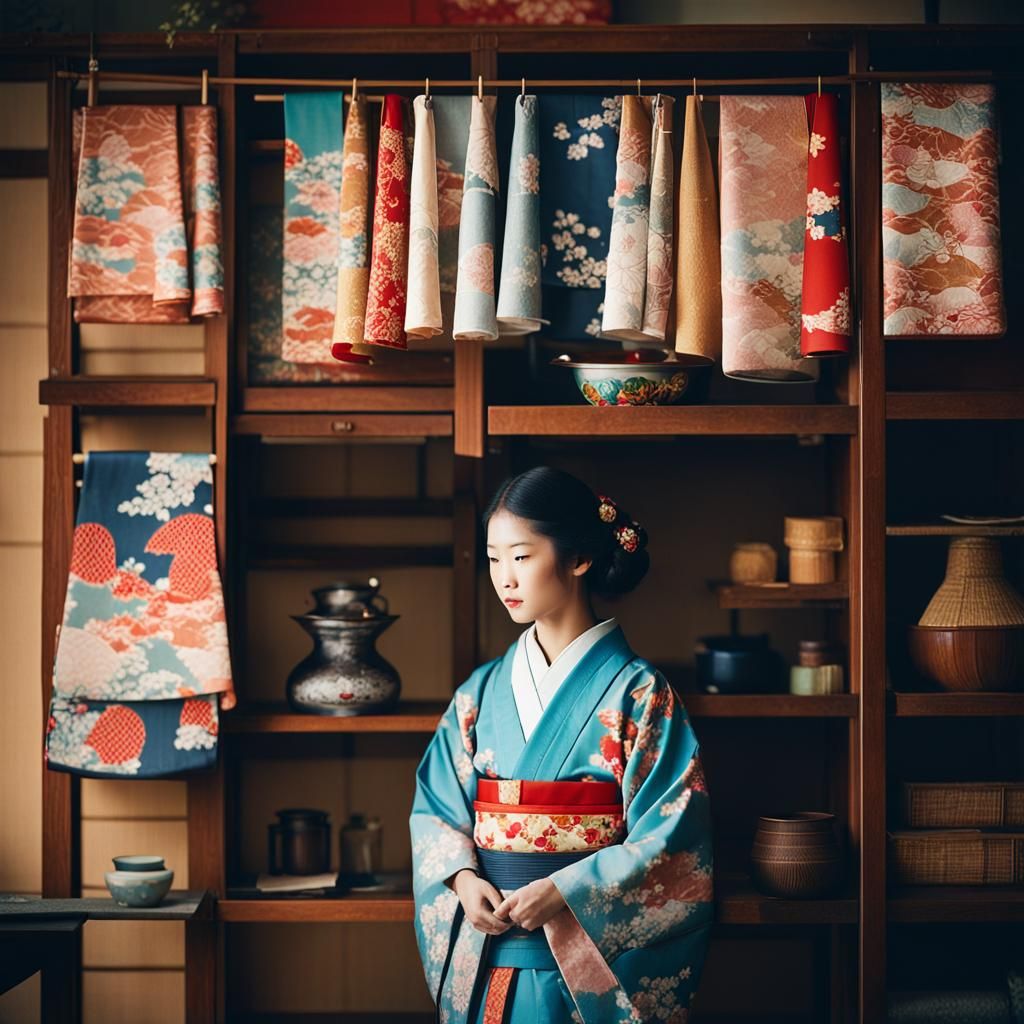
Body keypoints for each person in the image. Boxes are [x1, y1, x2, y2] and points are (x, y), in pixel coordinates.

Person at [410, 466, 713, 1023]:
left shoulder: (640, 694)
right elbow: (434, 811)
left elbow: (673, 841)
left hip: (586, 962)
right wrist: (463, 878)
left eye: (521, 556)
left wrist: (565, 891)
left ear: (579, 558)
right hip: (491, 956)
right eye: (494, 558)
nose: (504, 578)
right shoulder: (479, 694)